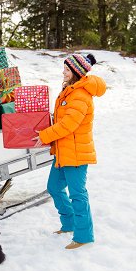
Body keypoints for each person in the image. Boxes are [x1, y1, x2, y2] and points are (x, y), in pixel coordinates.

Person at [33, 53, 106, 249]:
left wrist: (45, 135)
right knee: (54, 187)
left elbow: (69, 124)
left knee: (78, 194)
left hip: (76, 153)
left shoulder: (80, 95)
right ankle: (69, 224)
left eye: (66, 69)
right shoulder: (70, 91)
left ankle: (84, 236)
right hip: (64, 152)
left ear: (75, 72)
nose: (63, 72)